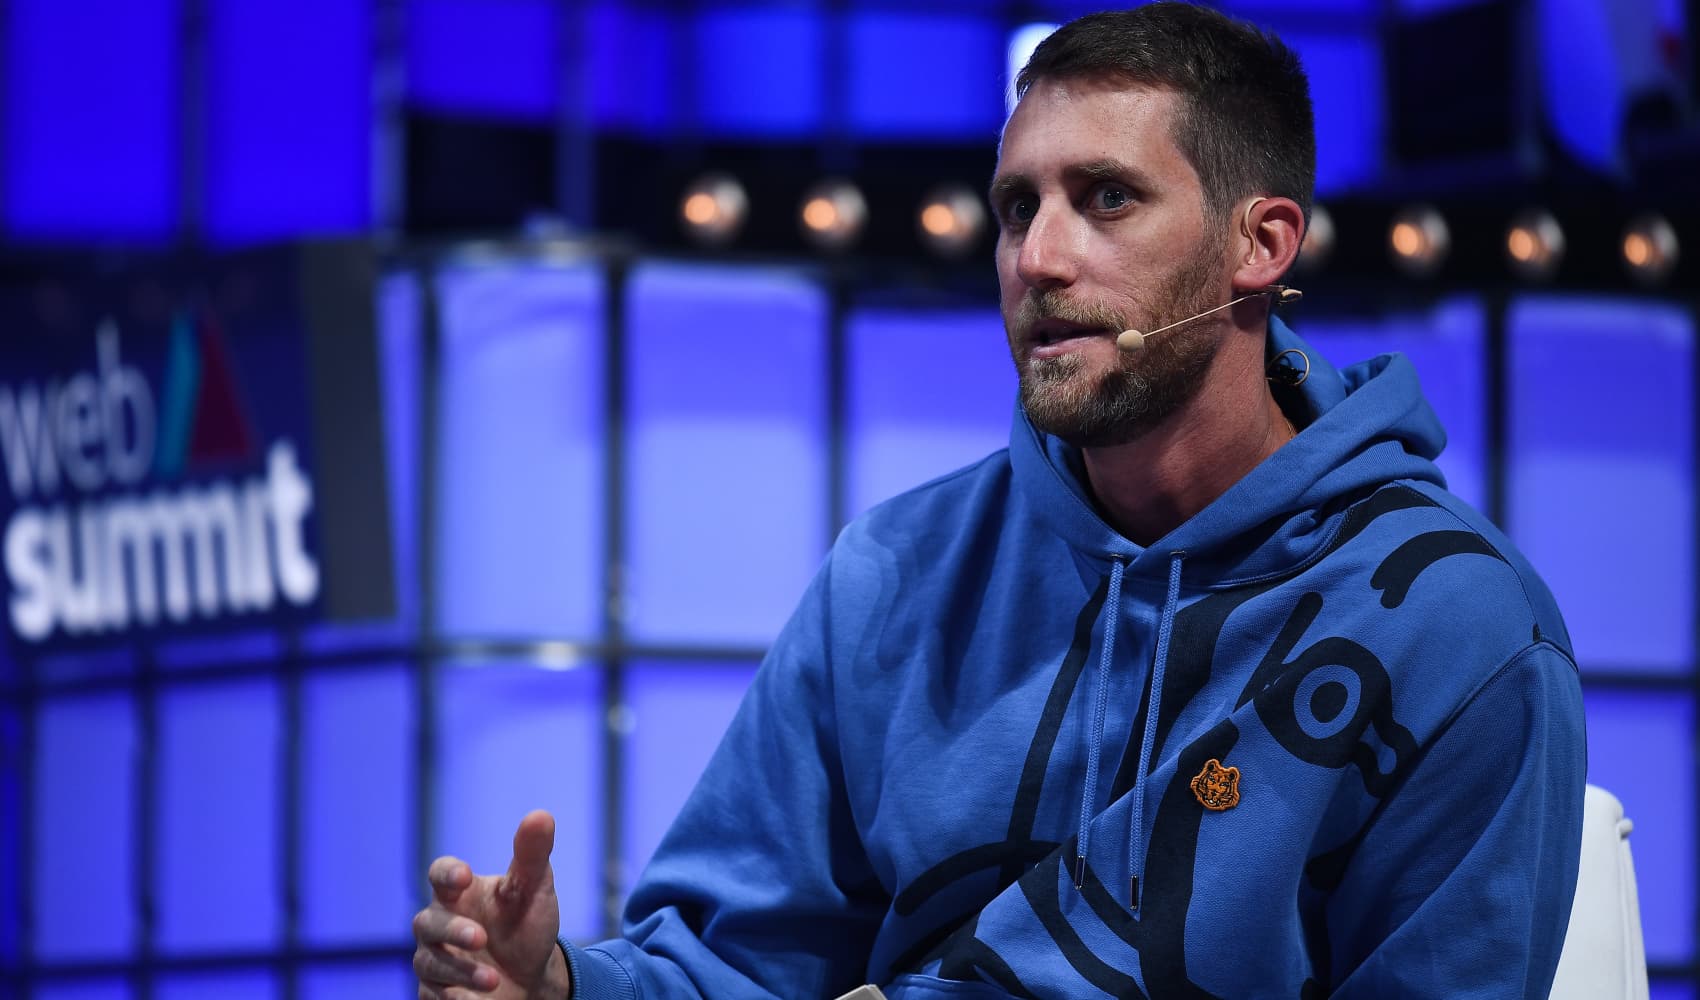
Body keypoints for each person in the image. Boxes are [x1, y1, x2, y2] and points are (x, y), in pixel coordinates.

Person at [412, 4, 1587, 997]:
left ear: (1260, 244)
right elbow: (733, 965)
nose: (1037, 258)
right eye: (1017, 207)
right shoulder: (895, 570)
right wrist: (560, 983)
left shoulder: (1454, 624)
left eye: (1106, 198)